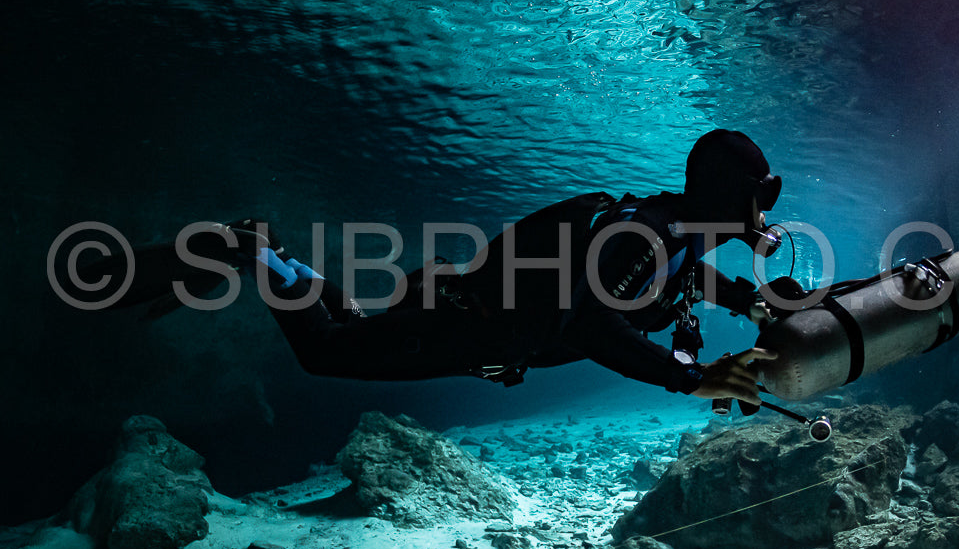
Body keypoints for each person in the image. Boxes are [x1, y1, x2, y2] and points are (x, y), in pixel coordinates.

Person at [134, 130, 783, 407]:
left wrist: (750, 303)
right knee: (324, 351)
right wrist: (688, 378)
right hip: (465, 325)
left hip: (472, 319)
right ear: (735, 196)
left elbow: (685, 280)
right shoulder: (650, 237)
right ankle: (254, 252)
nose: (765, 216)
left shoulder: (678, 233)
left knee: (357, 323)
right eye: (763, 197)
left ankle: (281, 261)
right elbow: (589, 319)